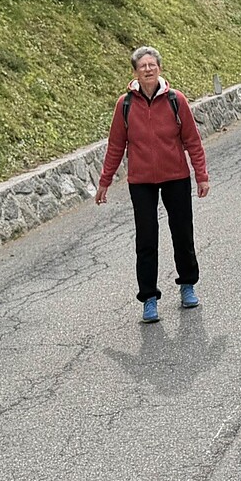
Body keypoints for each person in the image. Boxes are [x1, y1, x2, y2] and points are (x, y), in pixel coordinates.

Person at [96, 45, 210, 324]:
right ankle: (149, 298)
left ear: (159, 68)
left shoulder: (175, 100)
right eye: (142, 66)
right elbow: (115, 146)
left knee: (182, 233)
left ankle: (187, 285)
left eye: (152, 65)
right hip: (141, 181)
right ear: (135, 72)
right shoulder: (125, 105)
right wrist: (104, 182)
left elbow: (192, 141)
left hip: (176, 176)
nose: (148, 69)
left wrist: (201, 175)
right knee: (146, 240)